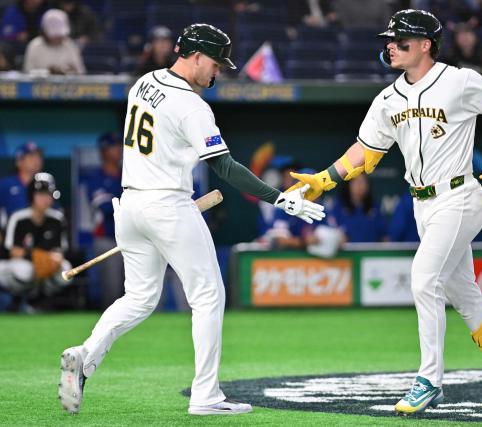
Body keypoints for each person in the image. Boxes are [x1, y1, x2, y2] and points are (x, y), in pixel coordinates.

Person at [57, 23, 325, 416]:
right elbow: (226, 168)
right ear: (195, 56)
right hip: (168, 205)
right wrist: (280, 198)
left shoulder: (144, 81)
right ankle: (206, 397)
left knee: (138, 298)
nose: (218, 72)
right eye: (215, 63)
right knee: (209, 296)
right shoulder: (193, 106)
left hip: (131, 205)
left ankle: (86, 354)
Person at [287, 9, 482, 415]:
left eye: (399, 41)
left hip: (459, 195)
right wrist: (326, 178)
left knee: (424, 279)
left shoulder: (459, 80)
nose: (391, 46)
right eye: (390, 40)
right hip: (422, 203)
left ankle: (428, 379)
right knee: (460, 290)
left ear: (425, 45)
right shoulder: (387, 99)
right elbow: (364, 150)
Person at [0, 173, 72, 307]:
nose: (46, 199)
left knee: (65, 270)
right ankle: (16, 300)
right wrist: (37, 257)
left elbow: (59, 250)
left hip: (42, 270)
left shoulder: (57, 219)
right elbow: (12, 251)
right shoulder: (18, 218)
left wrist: (54, 259)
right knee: (25, 270)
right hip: (12, 267)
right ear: (31, 195)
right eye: (41, 194)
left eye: (48, 195)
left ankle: (42, 299)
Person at [86, 132, 123, 309]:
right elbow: (106, 208)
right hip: (107, 238)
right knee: (112, 291)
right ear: (103, 151)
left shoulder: (128, 174)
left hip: (132, 238)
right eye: (113, 146)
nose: (118, 150)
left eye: (119, 146)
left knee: (135, 290)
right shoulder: (96, 177)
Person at [22, 8, 85, 75]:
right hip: (41, 84)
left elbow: (81, 72)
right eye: (54, 34)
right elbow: (27, 72)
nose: (57, 38)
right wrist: (48, 72)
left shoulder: (70, 45)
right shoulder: (34, 46)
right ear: (45, 32)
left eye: (60, 35)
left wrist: (69, 70)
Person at [330, 174, 387, 242]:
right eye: (355, 182)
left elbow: (385, 234)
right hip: (346, 251)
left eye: (362, 182)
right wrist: (337, 236)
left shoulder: (374, 206)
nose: (360, 186)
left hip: (370, 250)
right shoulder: (339, 206)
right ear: (348, 184)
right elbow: (330, 230)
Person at [0, 141, 43, 230]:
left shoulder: (45, 184)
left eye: (38, 156)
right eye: (31, 156)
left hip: (39, 237)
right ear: (19, 162)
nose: (36, 160)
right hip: (11, 237)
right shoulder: (5, 184)